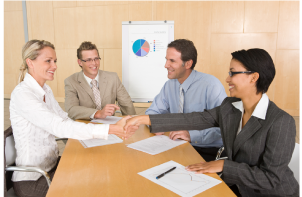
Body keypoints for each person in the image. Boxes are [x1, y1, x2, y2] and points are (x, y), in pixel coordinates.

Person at [124, 48, 300, 197]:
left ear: (254, 77)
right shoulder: (229, 107)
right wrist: (143, 118)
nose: (227, 79)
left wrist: (224, 165)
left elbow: (271, 178)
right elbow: (194, 119)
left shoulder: (281, 122)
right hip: (238, 187)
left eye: (233, 73)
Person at [10, 40, 134, 197]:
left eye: (55, 61)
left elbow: (64, 119)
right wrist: (110, 129)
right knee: (94, 188)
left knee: (100, 170)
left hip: (52, 165)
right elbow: (59, 126)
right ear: (30, 62)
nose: (54, 66)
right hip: (34, 179)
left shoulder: (45, 90)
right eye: (48, 61)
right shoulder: (23, 95)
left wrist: (98, 134)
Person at [145, 39, 227, 161]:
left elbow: (225, 127)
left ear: (188, 64)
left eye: (172, 61)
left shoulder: (211, 85)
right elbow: (152, 112)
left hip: (206, 150)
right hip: (175, 145)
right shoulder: (169, 85)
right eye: (166, 59)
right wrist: (157, 125)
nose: (166, 65)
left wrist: (191, 135)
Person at [64, 41, 136, 120]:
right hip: (85, 126)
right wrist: (98, 113)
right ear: (80, 62)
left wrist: (132, 122)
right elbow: (71, 110)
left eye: (96, 59)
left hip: (109, 126)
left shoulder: (113, 77)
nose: (94, 63)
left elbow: (126, 104)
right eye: (88, 60)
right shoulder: (71, 81)